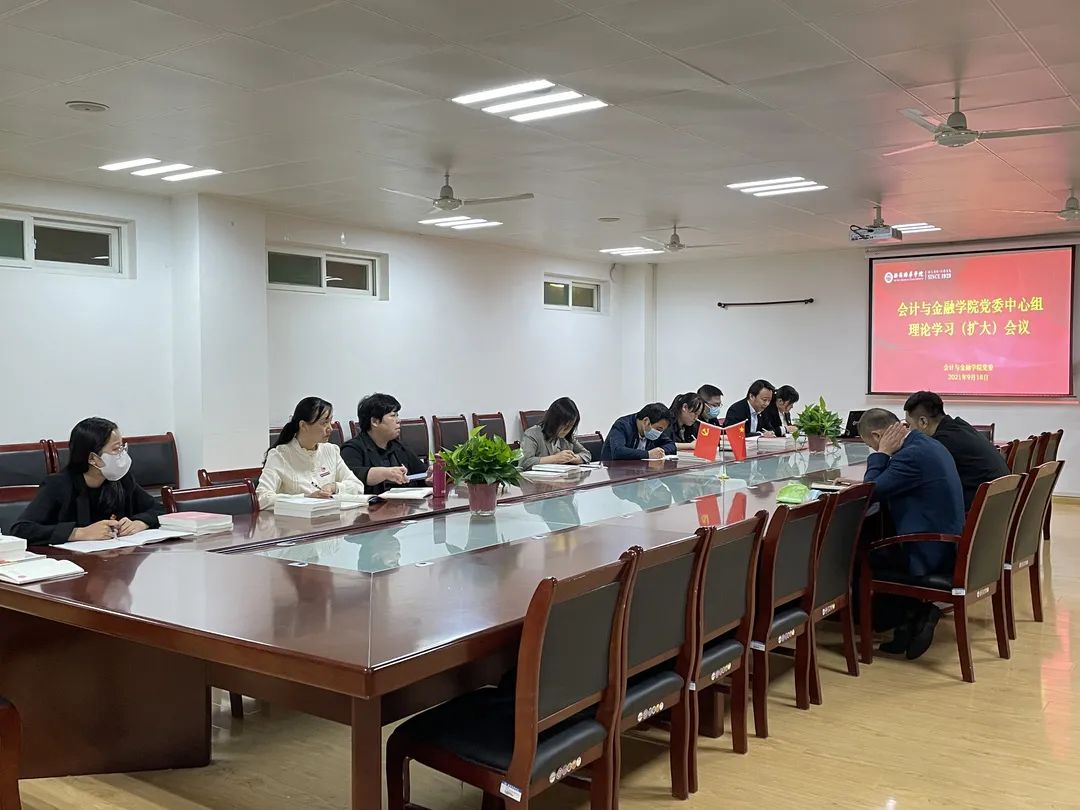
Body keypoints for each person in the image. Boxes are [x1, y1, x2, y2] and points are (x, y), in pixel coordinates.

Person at [857, 408, 965, 659]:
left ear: (878, 436)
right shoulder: (925, 443)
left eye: (871, 446)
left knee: (860, 553)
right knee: (877, 536)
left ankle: (910, 616)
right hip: (947, 541)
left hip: (930, 551)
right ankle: (908, 621)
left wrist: (881, 454)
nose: (874, 450)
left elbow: (870, 491)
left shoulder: (911, 456)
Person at [11, 417, 164, 545]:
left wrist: (140, 523)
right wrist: (79, 533)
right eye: (116, 449)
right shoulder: (58, 485)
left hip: (116, 559)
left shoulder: (120, 479)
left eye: (122, 447)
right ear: (93, 459)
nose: (122, 454)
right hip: (73, 564)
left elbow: (159, 508)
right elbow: (21, 530)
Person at [903, 390, 1010, 511]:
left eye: (909, 425)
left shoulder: (942, 442)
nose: (909, 431)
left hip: (979, 510)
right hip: (999, 504)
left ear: (923, 422)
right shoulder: (959, 426)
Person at [257, 397, 365, 510]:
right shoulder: (279, 455)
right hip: (296, 520)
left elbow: (357, 486)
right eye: (324, 423)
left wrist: (334, 487)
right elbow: (262, 498)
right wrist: (307, 499)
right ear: (303, 425)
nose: (330, 428)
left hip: (330, 517)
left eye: (330, 422)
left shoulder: (331, 450)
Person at [340, 393, 428, 496]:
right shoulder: (352, 449)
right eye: (393, 415)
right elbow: (352, 478)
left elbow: (421, 474)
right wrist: (385, 473)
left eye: (397, 415)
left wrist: (429, 477)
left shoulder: (399, 447)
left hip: (404, 503)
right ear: (375, 421)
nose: (398, 420)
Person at [518, 397, 592, 471]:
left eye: (571, 426)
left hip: (564, 476)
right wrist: (555, 458)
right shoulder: (532, 434)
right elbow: (524, 463)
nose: (567, 430)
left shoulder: (568, 436)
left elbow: (586, 454)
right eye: (565, 425)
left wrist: (572, 458)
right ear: (554, 422)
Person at [600, 403, 673, 461]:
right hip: (614, 470)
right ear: (646, 421)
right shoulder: (622, 425)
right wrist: (648, 454)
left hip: (640, 470)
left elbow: (671, 445)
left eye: (662, 430)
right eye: (659, 429)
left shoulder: (653, 429)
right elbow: (618, 451)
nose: (659, 432)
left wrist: (659, 452)